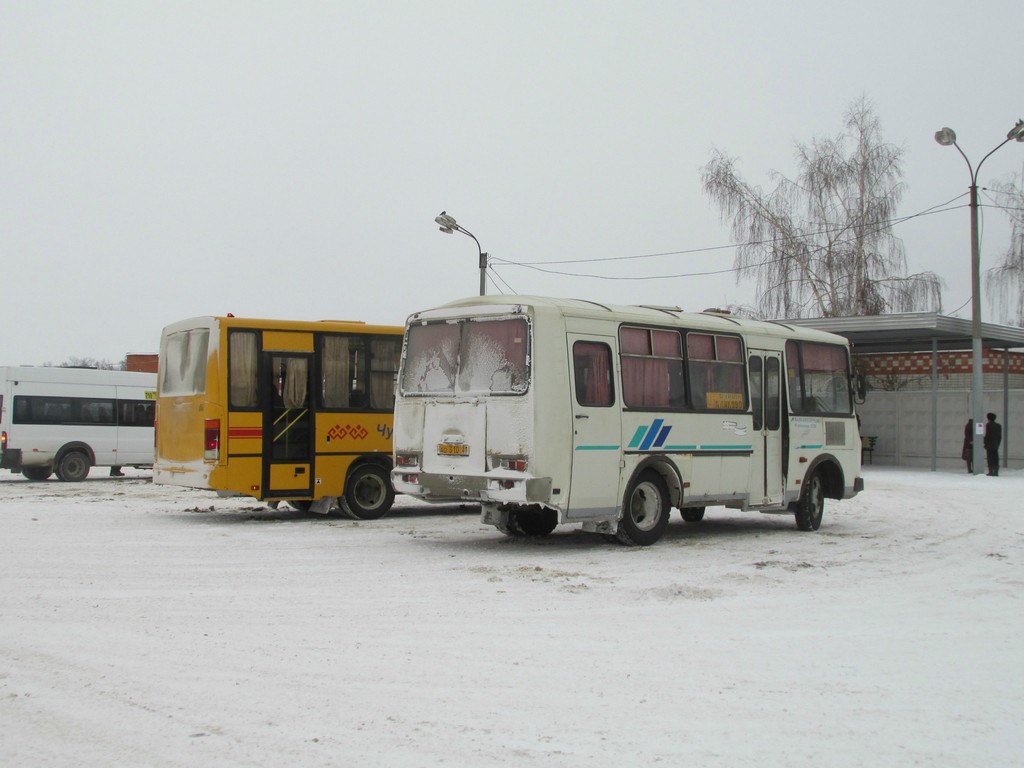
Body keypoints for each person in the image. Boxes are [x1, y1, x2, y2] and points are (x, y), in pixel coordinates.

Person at [984, 413, 1002, 477]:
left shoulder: (988, 425)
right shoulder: (999, 426)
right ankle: (996, 472)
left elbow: (987, 435)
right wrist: (998, 444)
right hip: (996, 444)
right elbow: (1000, 436)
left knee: (990, 458)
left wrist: (985, 442)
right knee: (996, 458)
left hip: (989, 444)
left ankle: (991, 471)